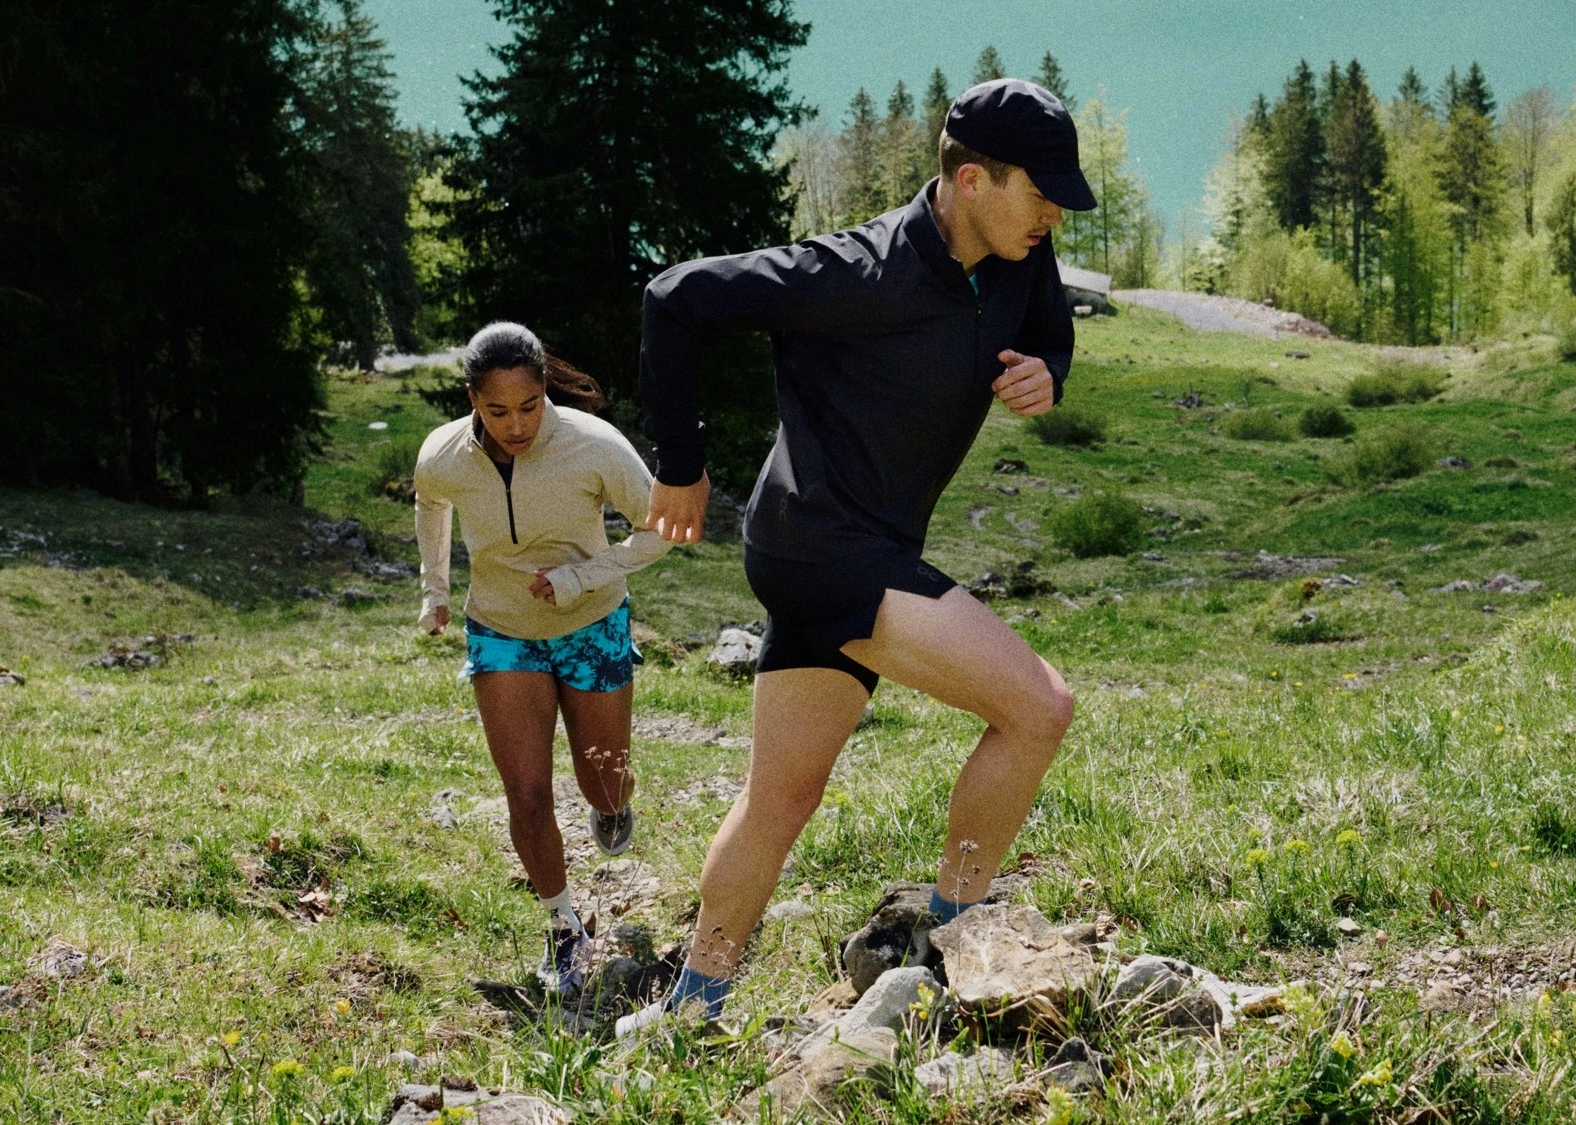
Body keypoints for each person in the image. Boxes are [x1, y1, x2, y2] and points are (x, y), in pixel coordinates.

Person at [618, 80, 1095, 1033]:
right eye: (1039, 194)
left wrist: (1050, 372)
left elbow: (1046, 328)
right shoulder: (854, 272)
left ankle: (691, 1005)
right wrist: (680, 467)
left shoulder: (1015, 259)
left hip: (849, 551)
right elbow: (673, 299)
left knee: (780, 797)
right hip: (820, 548)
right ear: (971, 179)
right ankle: (957, 948)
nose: (1053, 214)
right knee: (1039, 709)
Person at [413, 322, 671, 997]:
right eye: (497, 411)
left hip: (590, 623)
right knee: (525, 793)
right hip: (501, 629)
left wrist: (582, 577)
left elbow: (659, 529)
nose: (516, 425)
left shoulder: (593, 445)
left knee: (602, 783)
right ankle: (563, 929)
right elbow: (430, 503)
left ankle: (613, 807)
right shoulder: (443, 453)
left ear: (543, 390)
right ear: (473, 398)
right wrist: (435, 589)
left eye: (528, 406)